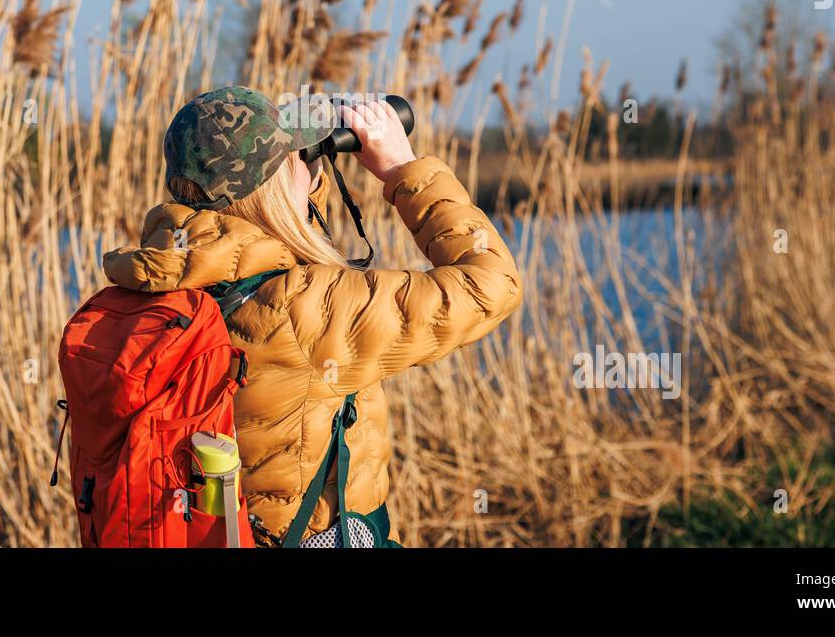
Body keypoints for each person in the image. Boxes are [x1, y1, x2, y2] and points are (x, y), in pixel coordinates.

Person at [102, 86, 523, 546]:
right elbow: (491, 285)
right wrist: (404, 170)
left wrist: (304, 173)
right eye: (294, 161)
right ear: (277, 185)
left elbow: (259, 239)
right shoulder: (305, 308)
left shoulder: (160, 278)